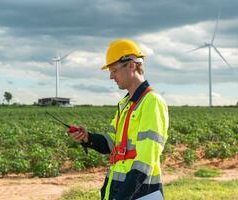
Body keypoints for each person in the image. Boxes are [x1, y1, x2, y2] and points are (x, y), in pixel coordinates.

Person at [69, 39, 169, 200]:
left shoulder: (152, 102)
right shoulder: (125, 104)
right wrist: (88, 138)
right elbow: (112, 144)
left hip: (140, 192)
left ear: (131, 65)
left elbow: (145, 161)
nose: (111, 76)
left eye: (114, 70)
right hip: (117, 188)